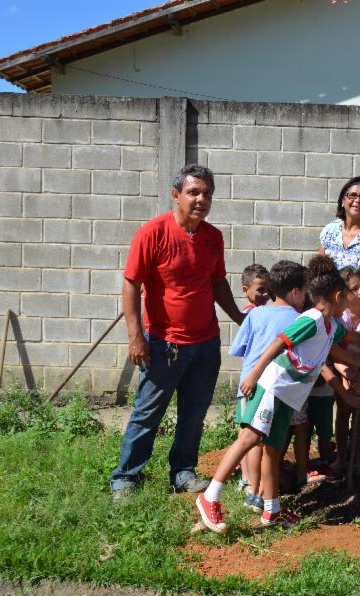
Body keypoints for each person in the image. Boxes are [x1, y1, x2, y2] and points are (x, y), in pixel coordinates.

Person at [196, 256, 360, 534]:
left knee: (273, 451)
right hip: (272, 388)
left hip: (289, 397)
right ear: (338, 296)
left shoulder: (330, 326)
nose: (351, 302)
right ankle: (210, 497)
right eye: (348, 298)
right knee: (250, 438)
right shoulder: (311, 319)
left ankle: (272, 510)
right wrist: (253, 375)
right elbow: (279, 342)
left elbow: (342, 345)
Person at [111, 164, 246, 501]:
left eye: (207, 193)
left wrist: (242, 318)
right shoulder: (152, 233)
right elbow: (131, 284)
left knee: (194, 413)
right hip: (164, 343)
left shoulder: (213, 237)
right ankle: (126, 477)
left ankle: (183, 473)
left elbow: (217, 282)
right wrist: (135, 336)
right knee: (148, 412)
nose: (201, 199)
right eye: (193, 192)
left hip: (205, 342)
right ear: (176, 195)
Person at [228, 260, 308, 512]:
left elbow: (239, 349)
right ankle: (260, 490)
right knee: (267, 441)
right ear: (296, 291)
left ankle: (251, 488)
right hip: (278, 387)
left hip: (250, 384)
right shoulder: (301, 320)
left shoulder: (254, 314)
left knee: (250, 437)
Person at [332, 267, 360, 478]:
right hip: (344, 368)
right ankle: (341, 457)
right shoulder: (341, 316)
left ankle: (359, 459)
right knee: (343, 413)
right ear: (343, 293)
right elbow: (337, 349)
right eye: (354, 288)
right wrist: (347, 373)